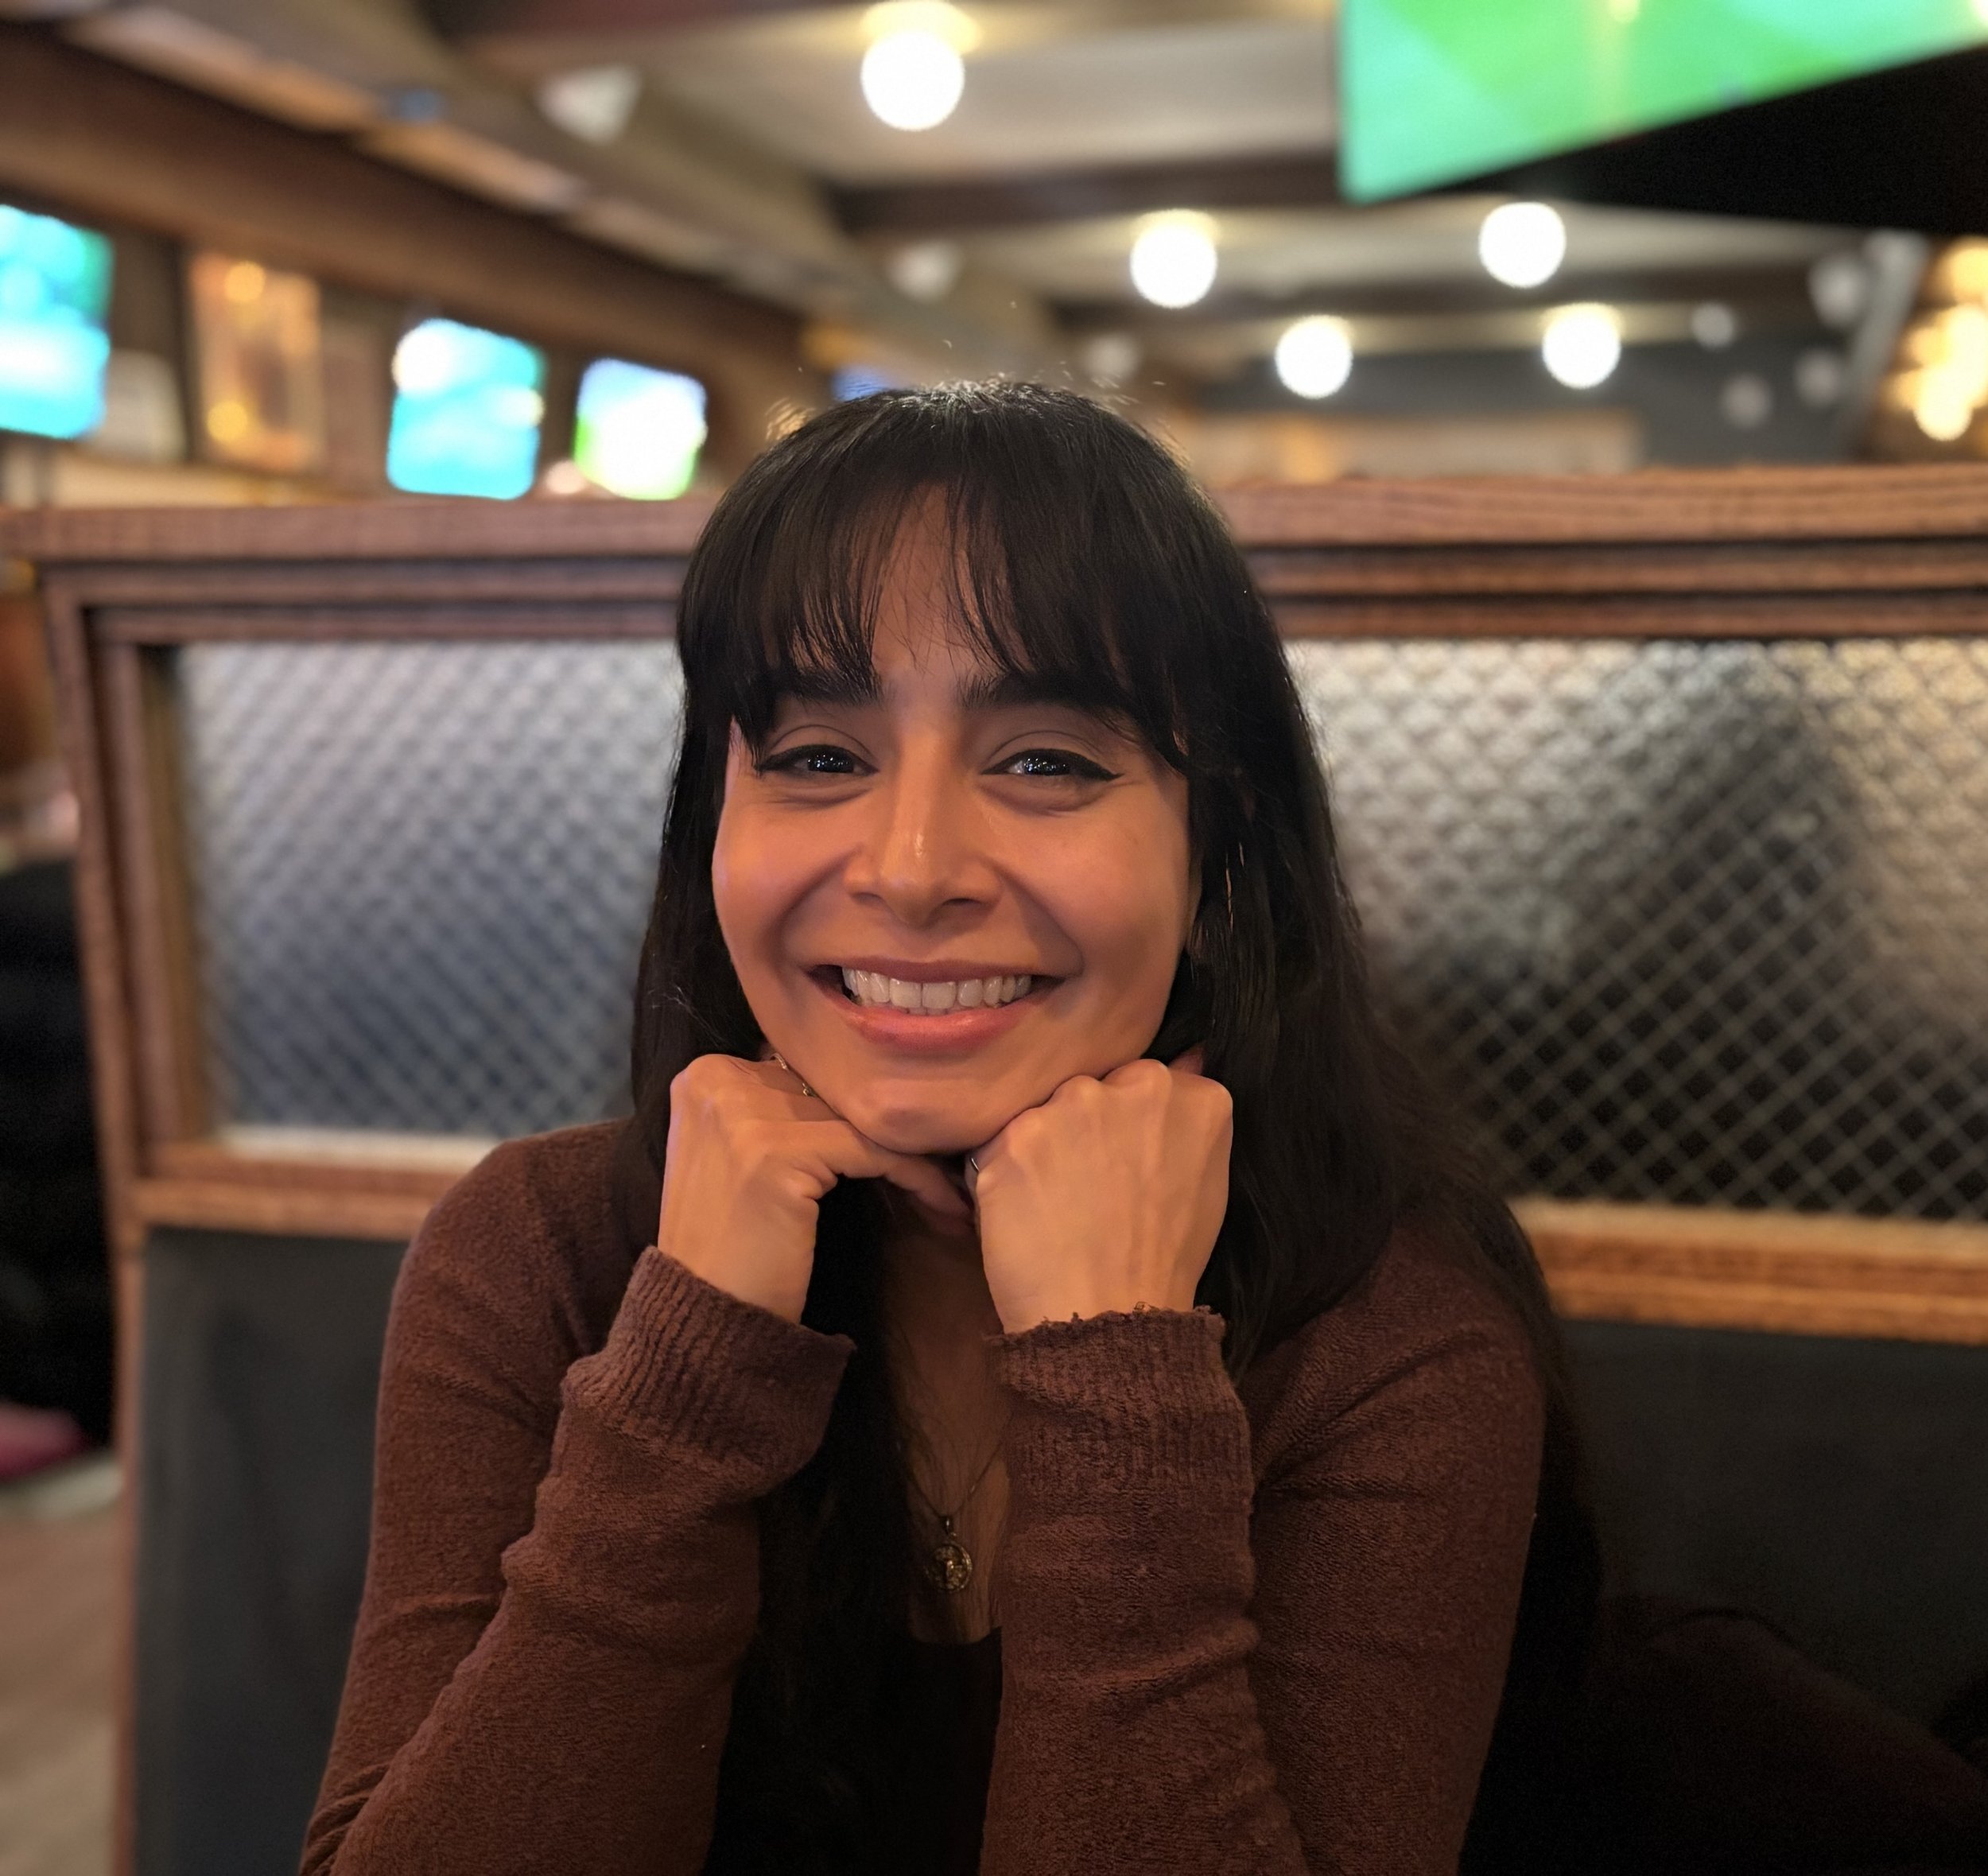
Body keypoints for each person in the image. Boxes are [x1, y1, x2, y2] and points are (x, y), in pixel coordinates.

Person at [301, 383, 1594, 1876]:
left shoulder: (1388, 1348)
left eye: (1045, 759)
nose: (911, 870)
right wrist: (691, 1365)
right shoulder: (539, 1254)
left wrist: (1120, 1378)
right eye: (817, 758)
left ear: (1215, 848)